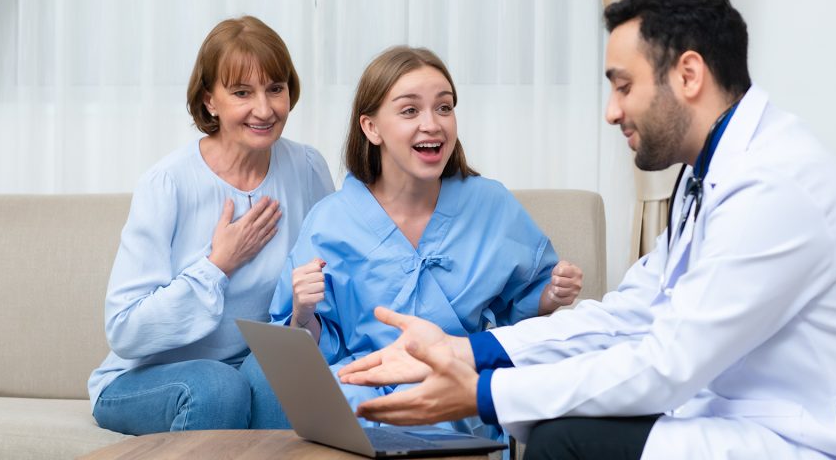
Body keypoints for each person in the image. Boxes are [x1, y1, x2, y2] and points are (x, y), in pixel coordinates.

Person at [335, 0, 836, 459]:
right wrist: (470, 350)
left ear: (687, 74)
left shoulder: (775, 186)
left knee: (566, 442)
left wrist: (482, 393)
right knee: (567, 429)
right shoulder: (709, 176)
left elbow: (666, 362)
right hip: (772, 419)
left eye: (622, 85)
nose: (611, 110)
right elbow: (631, 314)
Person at [243, 46, 583, 438]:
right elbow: (309, 350)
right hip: (359, 391)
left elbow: (521, 306)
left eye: (444, 107)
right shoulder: (331, 220)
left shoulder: (491, 204)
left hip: (454, 388)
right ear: (371, 128)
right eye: (410, 111)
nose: (433, 124)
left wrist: (551, 295)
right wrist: (303, 310)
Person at [88, 16, 334, 435]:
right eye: (242, 92)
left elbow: (330, 282)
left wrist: (302, 313)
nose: (264, 108)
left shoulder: (307, 167)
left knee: (284, 368)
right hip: (150, 376)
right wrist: (218, 265)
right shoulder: (167, 184)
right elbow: (126, 331)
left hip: (249, 364)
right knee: (219, 389)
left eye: (276, 88)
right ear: (210, 101)